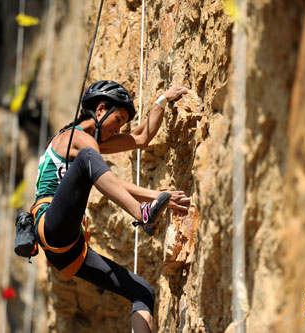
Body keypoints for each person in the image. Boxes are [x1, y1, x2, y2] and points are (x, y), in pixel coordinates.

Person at [31, 80, 190, 332]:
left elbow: (141, 137)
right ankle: (142, 214)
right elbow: (111, 180)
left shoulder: (87, 145)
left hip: (69, 247)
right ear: (101, 109)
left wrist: (162, 100)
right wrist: (157, 197)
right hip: (50, 224)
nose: (119, 129)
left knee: (143, 291)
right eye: (118, 120)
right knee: (88, 159)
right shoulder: (75, 141)